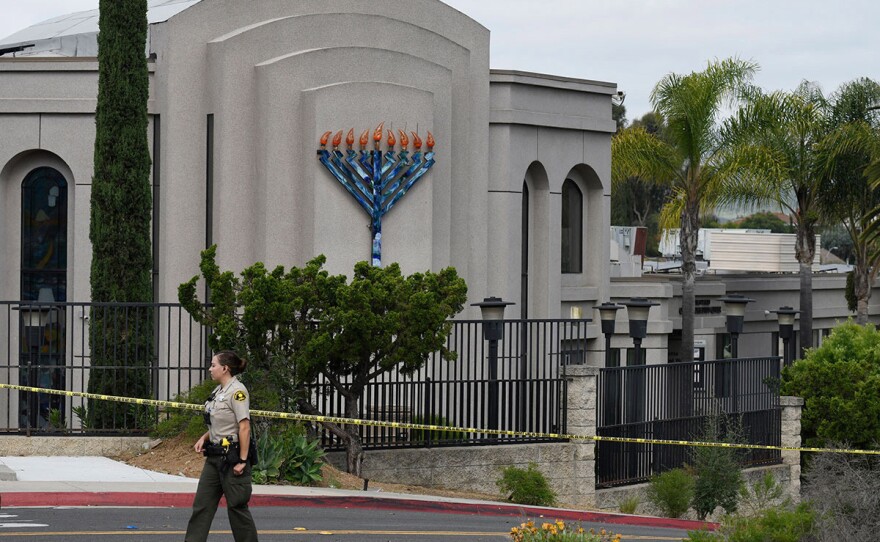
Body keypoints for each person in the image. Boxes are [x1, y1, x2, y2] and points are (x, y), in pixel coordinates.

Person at [185, 351, 258, 542]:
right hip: (214, 458)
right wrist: (205, 437)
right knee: (202, 505)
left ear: (225, 368)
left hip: (232, 458)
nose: (210, 369)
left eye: (213, 365)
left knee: (237, 507)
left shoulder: (238, 392)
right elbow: (221, 422)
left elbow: (244, 426)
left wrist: (243, 460)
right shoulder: (219, 391)